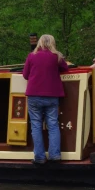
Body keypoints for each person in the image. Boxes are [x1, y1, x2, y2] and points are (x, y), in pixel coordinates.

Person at [23, 34, 68, 164]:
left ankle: (40, 157)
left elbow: (25, 75)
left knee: (36, 125)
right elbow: (65, 68)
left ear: (40, 43)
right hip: (52, 95)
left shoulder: (32, 56)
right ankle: (54, 156)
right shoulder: (56, 56)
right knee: (53, 125)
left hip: (34, 95)